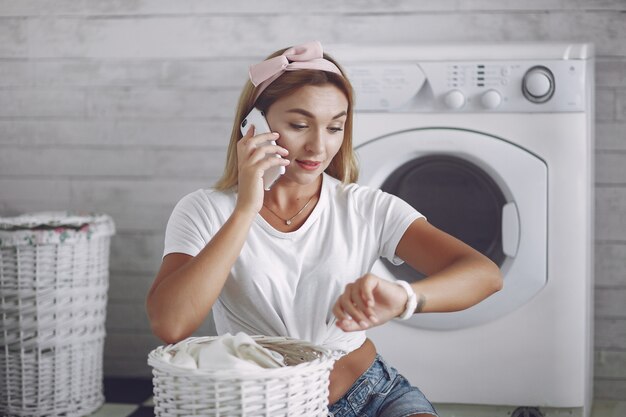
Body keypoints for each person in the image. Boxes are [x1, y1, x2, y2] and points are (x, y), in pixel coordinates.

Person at [146, 41, 503, 417]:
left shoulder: (366, 207)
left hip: (372, 394)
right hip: (264, 406)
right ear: (254, 126)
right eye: (299, 125)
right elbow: (171, 324)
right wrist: (246, 208)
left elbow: (485, 275)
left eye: (335, 127)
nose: (319, 145)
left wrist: (403, 298)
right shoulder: (204, 210)